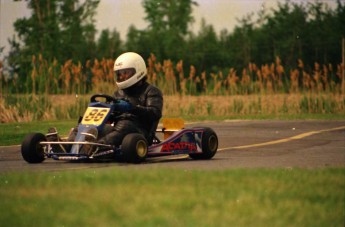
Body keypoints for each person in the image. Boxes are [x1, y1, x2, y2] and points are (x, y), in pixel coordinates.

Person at [47, 52, 163, 155]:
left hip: (139, 131)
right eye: (119, 74)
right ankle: (66, 146)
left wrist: (131, 108)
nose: (121, 76)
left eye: (125, 73)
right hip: (117, 129)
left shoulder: (151, 91)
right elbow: (113, 116)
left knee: (125, 125)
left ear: (138, 71)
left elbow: (154, 113)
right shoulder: (118, 93)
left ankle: (95, 147)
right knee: (86, 124)